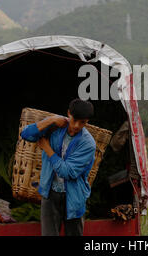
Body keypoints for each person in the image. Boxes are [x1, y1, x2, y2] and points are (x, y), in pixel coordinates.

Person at [20, 99, 96, 236]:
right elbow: (25, 134)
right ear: (68, 114)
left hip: (74, 197)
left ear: (87, 122)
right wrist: (50, 120)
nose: (77, 126)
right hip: (50, 193)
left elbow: (67, 172)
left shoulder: (88, 143)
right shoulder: (55, 128)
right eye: (74, 120)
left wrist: (47, 148)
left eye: (83, 122)